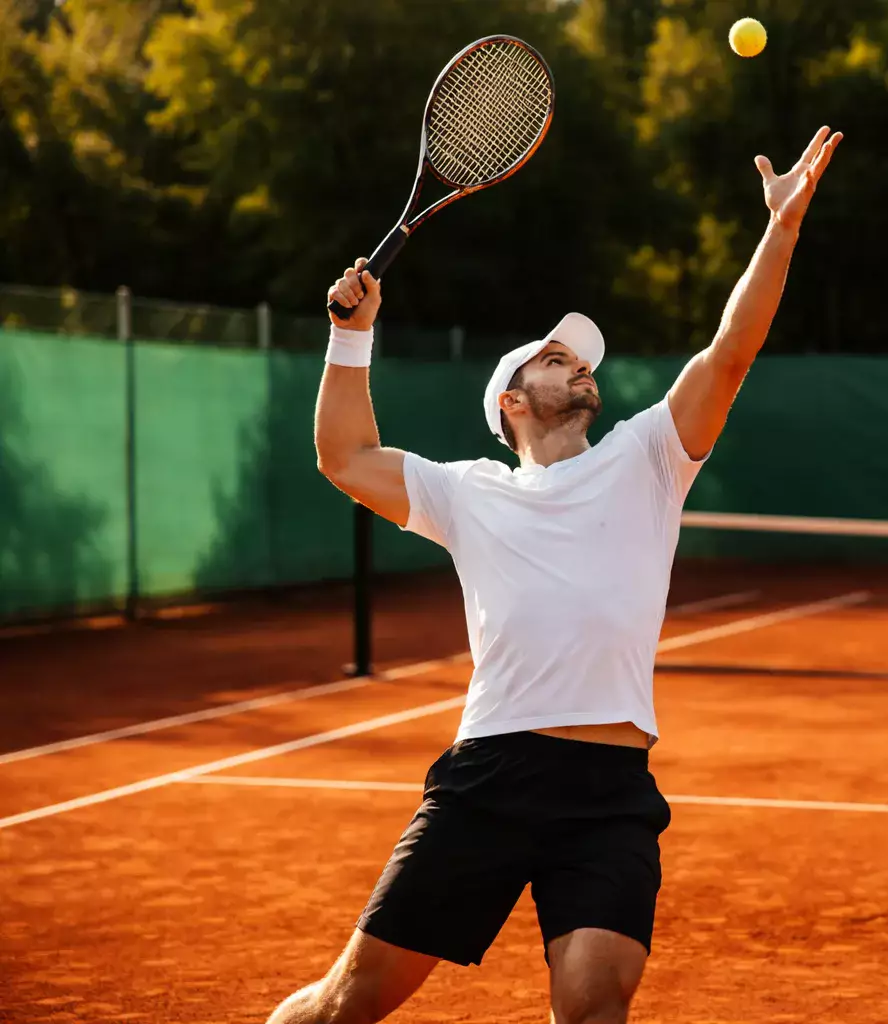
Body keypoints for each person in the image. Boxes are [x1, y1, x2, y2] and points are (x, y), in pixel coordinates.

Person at [266, 126, 842, 1024]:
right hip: (491, 776)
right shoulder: (468, 490)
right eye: (554, 357)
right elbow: (344, 457)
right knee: (348, 1004)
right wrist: (351, 337)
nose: (577, 365)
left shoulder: (650, 456)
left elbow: (730, 350)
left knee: (594, 1007)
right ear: (512, 400)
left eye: (579, 360)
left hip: (611, 792)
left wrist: (782, 228)